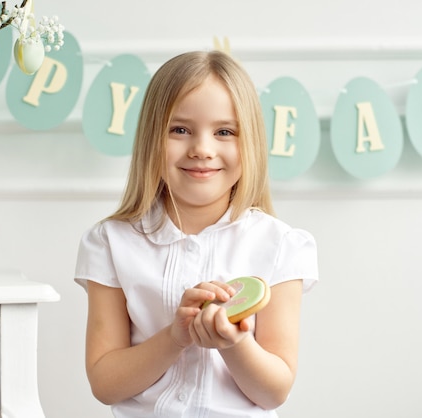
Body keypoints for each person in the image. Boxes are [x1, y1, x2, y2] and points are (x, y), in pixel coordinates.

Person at [74, 50, 318, 418]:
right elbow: (105, 384)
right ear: (151, 138)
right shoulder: (110, 242)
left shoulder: (281, 245)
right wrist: (176, 336)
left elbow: (274, 392)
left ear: (248, 141)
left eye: (224, 131)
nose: (202, 149)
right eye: (180, 130)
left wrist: (233, 343)